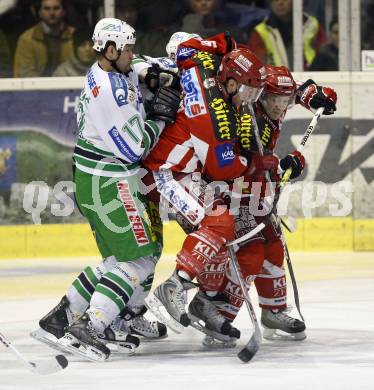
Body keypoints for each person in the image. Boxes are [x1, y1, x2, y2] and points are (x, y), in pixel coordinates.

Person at [32, 17, 181, 362]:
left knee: (116, 261)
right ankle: (90, 326)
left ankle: (60, 318)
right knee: (139, 260)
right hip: (109, 182)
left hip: (97, 179)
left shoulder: (111, 70)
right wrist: (160, 118)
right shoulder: (110, 94)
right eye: (127, 48)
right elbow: (134, 148)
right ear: (110, 50)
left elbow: (140, 65)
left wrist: (151, 72)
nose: (132, 53)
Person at [142, 33, 270, 342]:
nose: (251, 101)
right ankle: (172, 287)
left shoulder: (203, 68)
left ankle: (204, 302)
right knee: (219, 221)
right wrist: (251, 162)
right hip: (165, 174)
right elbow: (222, 167)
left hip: (187, 172)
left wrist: (224, 44)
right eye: (248, 92)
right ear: (230, 83)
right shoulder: (212, 117)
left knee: (219, 232)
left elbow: (189, 47)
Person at [198, 65, 337, 342]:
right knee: (250, 254)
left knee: (273, 246)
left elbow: (301, 90)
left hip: (256, 188)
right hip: (232, 191)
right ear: (261, 95)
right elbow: (242, 166)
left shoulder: (275, 94)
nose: (280, 106)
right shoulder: (248, 119)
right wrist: (285, 167)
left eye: (285, 101)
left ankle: (273, 311)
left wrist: (318, 96)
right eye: (275, 99)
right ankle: (218, 316)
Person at [248, 0, 325, 70]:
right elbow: (258, 66)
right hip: (277, 81)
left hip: (313, 77)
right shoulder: (260, 31)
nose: (280, 3)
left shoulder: (312, 24)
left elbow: (324, 54)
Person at [13, 0, 75, 77]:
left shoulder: (75, 36)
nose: (52, 13)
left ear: (64, 12)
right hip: (36, 87)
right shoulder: (27, 39)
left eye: (56, 8)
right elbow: (24, 73)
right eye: (47, 9)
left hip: (71, 86)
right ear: (39, 13)